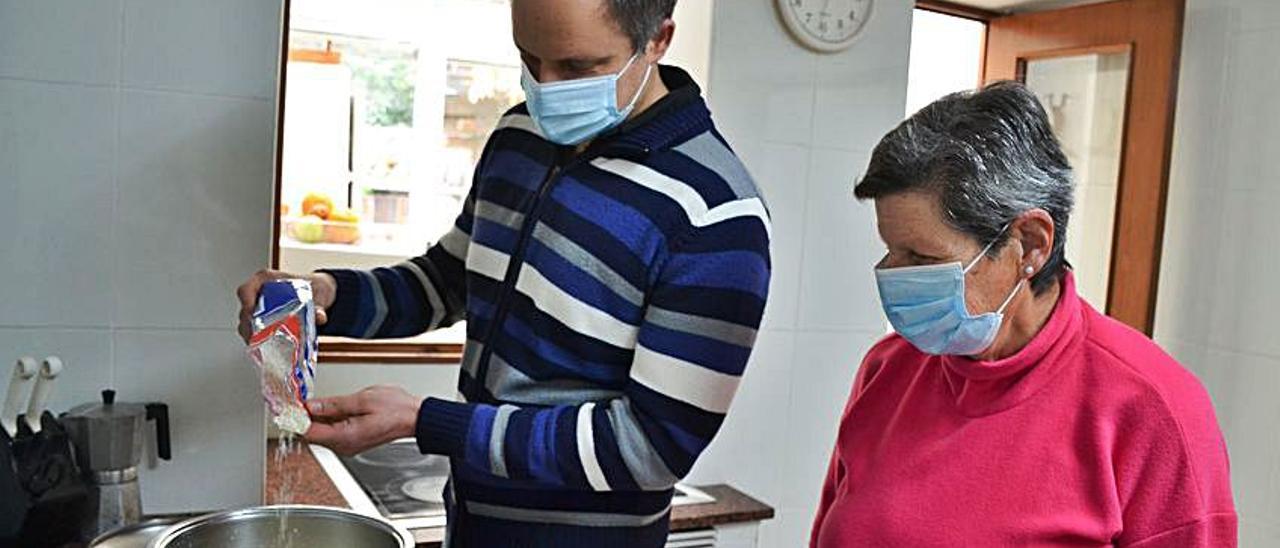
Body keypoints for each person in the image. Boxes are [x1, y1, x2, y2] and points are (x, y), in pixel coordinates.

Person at [237, 0, 771, 546]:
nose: (546, 89)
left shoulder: (716, 216)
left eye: (578, 67)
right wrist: (325, 295)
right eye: (529, 58)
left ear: (658, 40)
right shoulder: (519, 135)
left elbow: (648, 450)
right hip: (470, 526)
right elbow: (448, 281)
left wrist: (427, 421)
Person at [809, 82, 1236, 547]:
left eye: (921, 257)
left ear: (1030, 244)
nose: (892, 276)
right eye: (890, 251)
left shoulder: (1152, 409)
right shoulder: (886, 370)